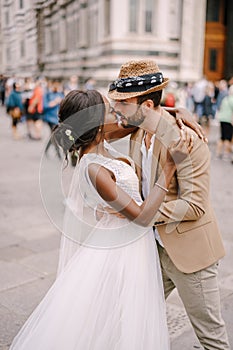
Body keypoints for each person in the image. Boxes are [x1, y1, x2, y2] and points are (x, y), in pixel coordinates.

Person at [9, 89, 191, 350]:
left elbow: (143, 117)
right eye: (109, 109)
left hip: (127, 241)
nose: (116, 112)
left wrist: (178, 113)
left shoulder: (102, 139)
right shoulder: (94, 168)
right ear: (94, 123)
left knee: (118, 317)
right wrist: (170, 169)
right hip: (123, 248)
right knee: (116, 317)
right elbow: (141, 217)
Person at [107, 59, 230, 350]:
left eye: (123, 103)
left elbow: (195, 204)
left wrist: (139, 214)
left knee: (211, 339)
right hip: (151, 253)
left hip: (191, 257)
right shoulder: (137, 132)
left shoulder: (188, 140)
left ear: (146, 105)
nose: (117, 109)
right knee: (129, 316)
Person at [215, 84, 233, 162]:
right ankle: (226, 153)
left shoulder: (225, 98)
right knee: (227, 138)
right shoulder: (232, 99)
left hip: (222, 119)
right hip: (228, 120)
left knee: (222, 137)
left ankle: (218, 153)